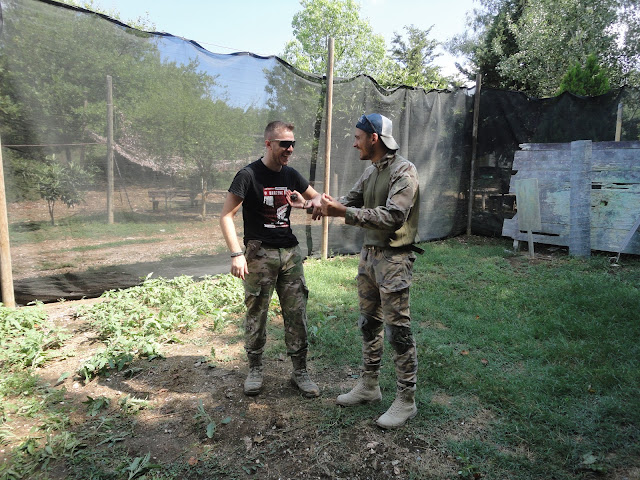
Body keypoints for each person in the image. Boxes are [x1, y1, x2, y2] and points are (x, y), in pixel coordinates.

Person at [320, 113, 421, 428]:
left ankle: (406, 401)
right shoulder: (370, 172)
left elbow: (393, 217)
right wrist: (311, 203)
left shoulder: (404, 171)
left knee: (398, 331)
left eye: (358, 137)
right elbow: (346, 202)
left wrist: (344, 212)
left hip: (393, 260)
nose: (354, 143)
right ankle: (369, 386)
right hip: (368, 258)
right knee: (369, 324)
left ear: (373, 138)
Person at [220, 120, 323, 398]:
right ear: (268, 144)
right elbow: (226, 216)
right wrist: (236, 254)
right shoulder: (248, 175)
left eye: (293, 144)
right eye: (283, 144)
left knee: (297, 313)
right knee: (257, 313)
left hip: (290, 254)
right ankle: (254, 369)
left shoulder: (291, 175)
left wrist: (309, 203)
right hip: (259, 254)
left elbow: (317, 200)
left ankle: (299, 371)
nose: (289, 149)